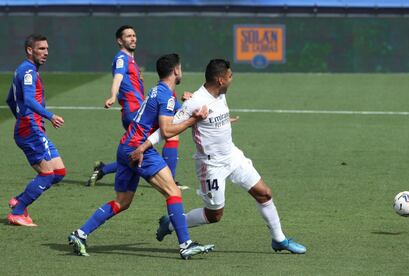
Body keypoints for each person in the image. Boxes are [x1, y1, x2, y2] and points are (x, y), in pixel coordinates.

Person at [130, 59, 307, 254]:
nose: (232, 79)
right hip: (211, 165)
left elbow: (215, 117)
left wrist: (223, 121)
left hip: (233, 156)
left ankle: (279, 239)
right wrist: (144, 146)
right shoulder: (195, 102)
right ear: (221, 80)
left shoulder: (220, 94)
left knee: (264, 193)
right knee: (214, 215)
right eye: (230, 76)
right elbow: (167, 130)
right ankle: (171, 223)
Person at [68, 54, 214, 259]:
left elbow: (167, 115)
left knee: (122, 201)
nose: (181, 71)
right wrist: (193, 120)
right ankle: (186, 245)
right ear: (176, 71)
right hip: (139, 149)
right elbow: (167, 130)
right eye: (180, 68)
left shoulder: (158, 90)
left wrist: (188, 109)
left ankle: (80, 234)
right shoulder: (166, 95)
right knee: (173, 191)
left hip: (126, 146)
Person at [87, 25, 186, 189]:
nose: (132, 38)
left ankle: (104, 169)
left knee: (138, 151)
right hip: (133, 111)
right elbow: (118, 77)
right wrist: (113, 95)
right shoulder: (122, 58)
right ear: (120, 40)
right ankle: (172, 182)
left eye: (134, 35)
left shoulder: (131, 61)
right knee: (170, 135)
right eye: (128, 36)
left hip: (137, 110)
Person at [5, 34, 66, 227]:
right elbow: (29, 100)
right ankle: (18, 211)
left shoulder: (26, 70)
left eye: (47, 49)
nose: (46, 53)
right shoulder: (29, 71)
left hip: (31, 127)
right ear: (29, 50)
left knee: (59, 172)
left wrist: (23, 117)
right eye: (41, 49)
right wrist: (49, 116)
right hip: (30, 129)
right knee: (47, 174)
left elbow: (10, 99)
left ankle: (19, 200)